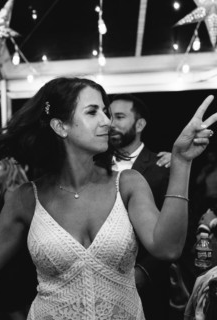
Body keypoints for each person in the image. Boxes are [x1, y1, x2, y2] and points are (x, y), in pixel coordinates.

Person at [0, 77, 217, 320]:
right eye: (93, 112)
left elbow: (166, 248)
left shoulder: (127, 184)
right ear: (60, 126)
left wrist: (182, 162)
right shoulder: (28, 198)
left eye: (106, 111)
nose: (107, 121)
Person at [108, 93, 170, 320]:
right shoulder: (94, 166)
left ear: (140, 124)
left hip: (147, 283)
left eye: (120, 117)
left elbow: (175, 227)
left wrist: (144, 272)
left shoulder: (162, 166)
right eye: (109, 116)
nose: (111, 123)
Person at [0, 138, 37, 320]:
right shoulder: (6, 191)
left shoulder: (13, 194)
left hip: (15, 263)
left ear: (7, 168)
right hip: (9, 260)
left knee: (14, 309)